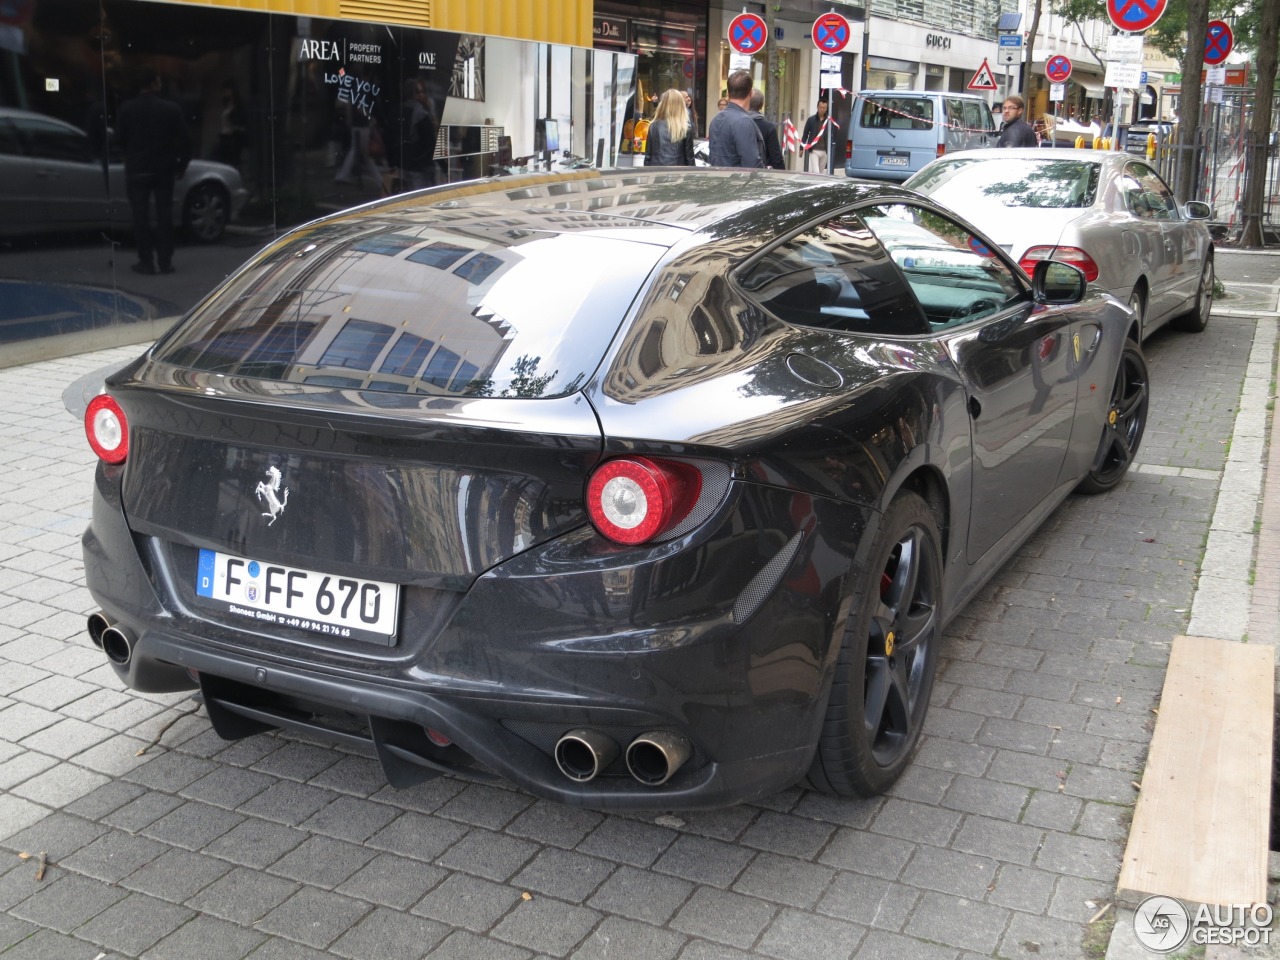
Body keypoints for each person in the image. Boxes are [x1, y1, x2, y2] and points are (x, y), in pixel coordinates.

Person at [116, 69, 192, 275]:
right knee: (164, 215)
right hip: (163, 169)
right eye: (158, 82)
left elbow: (120, 139)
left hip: (137, 169)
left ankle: (146, 260)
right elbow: (185, 140)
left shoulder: (127, 109)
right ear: (153, 84)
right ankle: (165, 261)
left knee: (140, 216)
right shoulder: (170, 109)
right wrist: (181, 165)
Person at [706, 70, 763, 169]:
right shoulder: (744, 122)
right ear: (750, 93)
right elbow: (752, 164)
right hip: (738, 182)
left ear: (728, 93)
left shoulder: (716, 119)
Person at [400, 78, 439, 189]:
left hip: (416, 162)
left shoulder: (424, 109)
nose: (422, 95)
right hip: (418, 164)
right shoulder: (417, 112)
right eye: (418, 92)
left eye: (423, 92)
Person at [645, 89, 695, 166]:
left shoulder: (653, 126)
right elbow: (690, 160)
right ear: (680, 105)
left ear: (663, 105)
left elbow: (648, 157)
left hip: (656, 173)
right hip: (678, 174)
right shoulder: (685, 128)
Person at [747, 89, 785, 169]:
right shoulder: (769, 127)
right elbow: (776, 157)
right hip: (762, 173)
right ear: (761, 105)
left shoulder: (738, 124)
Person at [802, 97, 830, 174]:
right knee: (816, 172)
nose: (822, 109)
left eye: (824, 108)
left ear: (826, 108)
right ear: (817, 107)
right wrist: (801, 148)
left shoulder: (829, 121)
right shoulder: (811, 120)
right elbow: (805, 134)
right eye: (820, 107)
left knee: (820, 173)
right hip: (814, 150)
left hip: (824, 150)